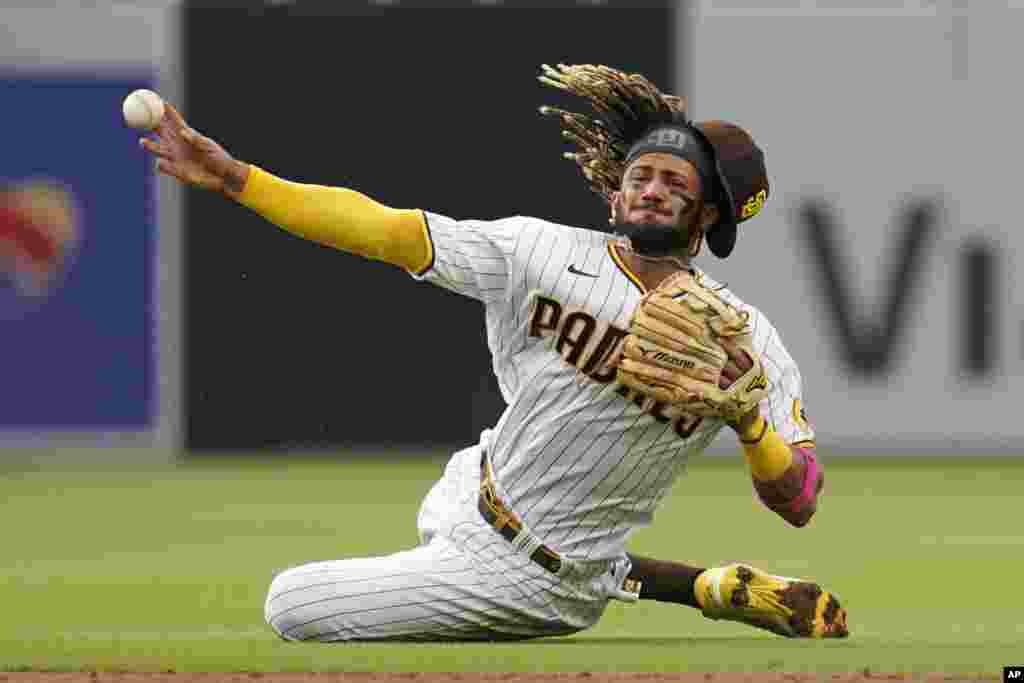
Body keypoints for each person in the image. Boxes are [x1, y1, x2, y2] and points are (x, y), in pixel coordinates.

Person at [140, 64, 848, 641]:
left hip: (532, 583)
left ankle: (613, 580)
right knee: (457, 500)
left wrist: (752, 423)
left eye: (676, 183)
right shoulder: (539, 251)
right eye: (641, 175)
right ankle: (703, 585)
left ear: (710, 215)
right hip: (470, 488)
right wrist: (239, 179)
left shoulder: (746, 339)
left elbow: (801, 496)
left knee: (290, 603)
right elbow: (386, 231)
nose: (653, 188)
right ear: (614, 194)